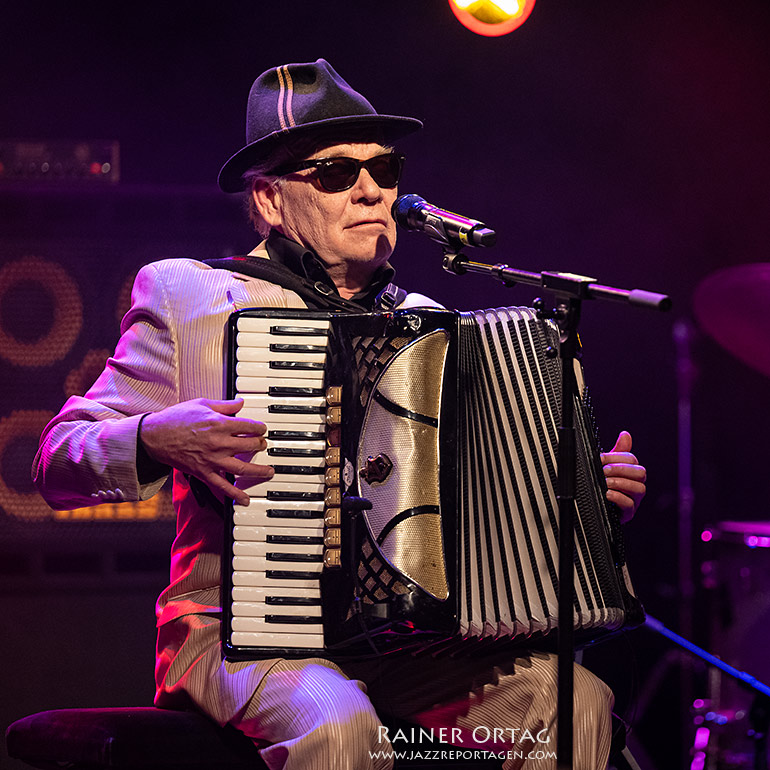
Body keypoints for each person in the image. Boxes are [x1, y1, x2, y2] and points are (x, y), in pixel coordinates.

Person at [32, 59, 647, 770]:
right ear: (268, 199)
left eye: (385, 170)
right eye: (334, 175)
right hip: (242, 637)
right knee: (340, 728)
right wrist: (154, 437)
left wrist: (578, 497)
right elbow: (55, 459)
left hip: (412, 642)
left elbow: (485, 497)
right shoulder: (188, 296)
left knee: (572, 704)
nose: (371, 192)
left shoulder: (427, 323)